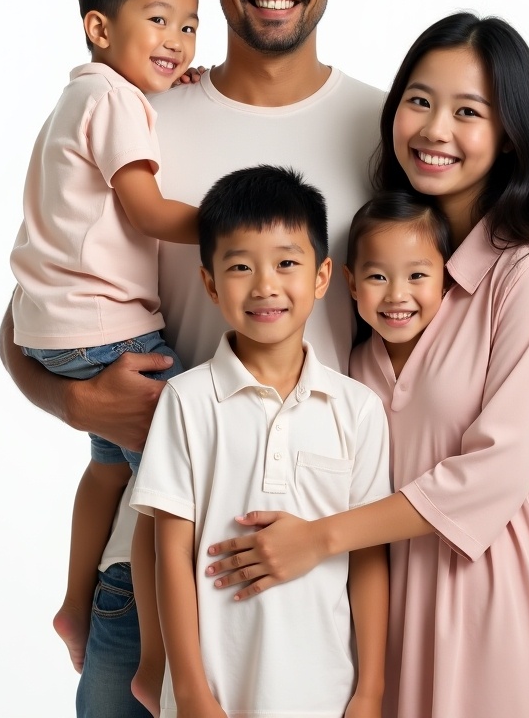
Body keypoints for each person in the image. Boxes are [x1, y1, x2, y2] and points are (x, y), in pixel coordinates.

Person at [0, 0, 529, 718]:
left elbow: (464, 303)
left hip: (326, 580)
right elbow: (36, 303)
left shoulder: (390, 133)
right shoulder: (140, 117)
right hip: (160, 552)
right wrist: (72, 401)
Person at [204, 13, 529, 717]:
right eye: (419, 101)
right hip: (380, 591)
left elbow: (497, 466)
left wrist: (318, 540)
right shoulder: (372, 265)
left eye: (469, 111)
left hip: (489, 588)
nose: (435, 130)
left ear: (511, 133)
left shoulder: (528, 272)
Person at [8, 0, 201, 694]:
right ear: (98, 27)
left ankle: (72, 605)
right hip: (111, 330)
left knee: (105, 466)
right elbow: (146, 209)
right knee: (179, 474)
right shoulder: (118, 101)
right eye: (158, 22)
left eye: (189, 27)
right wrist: (230, 225)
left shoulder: (80, 95)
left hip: (55, 330)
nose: (177, 42)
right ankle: (153, 660)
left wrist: (172, 76)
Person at [132, 165, 391, 718]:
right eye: (241, 266)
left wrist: (369, 692)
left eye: (287, 263)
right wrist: (193, 694)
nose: (265, 285)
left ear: (322, 277)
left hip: (324, 693)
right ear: (209, 283)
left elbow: (368, 555)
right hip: (216, 698)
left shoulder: (358, 409)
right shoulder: (187, 400)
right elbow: (169, 553)